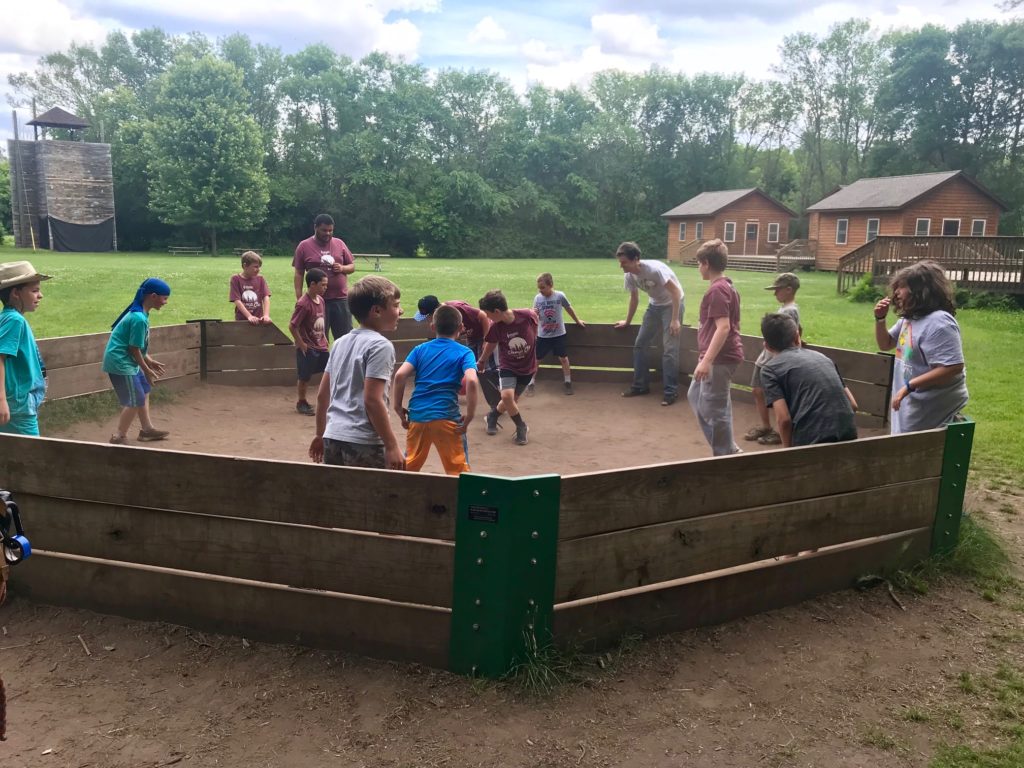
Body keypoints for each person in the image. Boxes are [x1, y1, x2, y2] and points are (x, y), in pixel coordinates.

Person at [309, 276, 405, 470]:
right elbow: (372, 399)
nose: (400, 311)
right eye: (395, 305)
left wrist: (320, 435)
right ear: (377, 311)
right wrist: (392, 445)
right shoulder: (380, 346)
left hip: (333, 438)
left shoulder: (340, 343)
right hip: (363, 441)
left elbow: (322, 395)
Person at [874, 260, 968, 433]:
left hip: (931, 404)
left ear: (920, 291)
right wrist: (880, 319)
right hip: (912, 400)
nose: (896, 293)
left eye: (902, 288)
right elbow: (885, 343)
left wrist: (909, 386)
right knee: (903, 448)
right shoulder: (910, 318)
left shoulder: (939, 323)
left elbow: (953, 366)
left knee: (916, 452)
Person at [393, 304, 480, 475]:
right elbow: (471, 380)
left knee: (409, 468)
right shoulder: (465, 352)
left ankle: (401, 497)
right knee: (458, 471)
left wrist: (397, 407)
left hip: (418, 416)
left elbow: (399, 376)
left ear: (432, 327)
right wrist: (469, 416)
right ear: (461, 328)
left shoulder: (419, 350)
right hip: (447, 418)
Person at [759, 313, 857, 447]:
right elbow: (852, 404)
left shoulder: (770, 370)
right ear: (797, 337)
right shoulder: (823, 358)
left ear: (767, 346)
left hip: (811, 440)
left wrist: (787, 453)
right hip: (848, 435)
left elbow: (784, 419)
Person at [687, 239, 743, 456]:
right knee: (696, 396)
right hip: (717, 358)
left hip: (719, 360)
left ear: (707, 263)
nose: (698, 268)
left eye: (699, 263)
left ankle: (724, 455)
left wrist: (707, 360)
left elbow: (723, 327)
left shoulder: (718, 291)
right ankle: (727, 446)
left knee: (715, 409)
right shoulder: (727, 286)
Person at [613, 241, 684, 406]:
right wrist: (627, 321)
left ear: (636, 259)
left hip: (673, 303)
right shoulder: (629, 275)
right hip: (655, 305)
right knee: (640, 344)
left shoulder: (654, 270)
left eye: (624, 262)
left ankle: (670, 392)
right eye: (620, 262)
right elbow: (634, 298)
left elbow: (676, 292)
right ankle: (640, 386)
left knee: (669, 349)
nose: (621, 266)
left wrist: (675, 319)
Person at [102, 278, 172, 445]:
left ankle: (147, 430)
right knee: (135, 400)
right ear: (153, 296)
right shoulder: (139, 318)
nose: (166, 302)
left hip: (128, 361)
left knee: (144, 390)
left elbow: (137, 347)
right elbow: (133, 349)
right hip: (120, 363)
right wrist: (146, 369)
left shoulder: (141, 313)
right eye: (164, 298)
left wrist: (150, 360)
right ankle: (119, 436)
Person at [745, 273, 802, 445]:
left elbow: (791, 332)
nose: (774, 293)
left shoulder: (789, 310)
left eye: (777, 290)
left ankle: (778, 430)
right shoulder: (787, 309)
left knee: (778, 397)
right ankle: (766, 426)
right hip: (767, 357)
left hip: (773, 359)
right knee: (757, 389)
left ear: (789, 289)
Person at [477, 290, 537, 446]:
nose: (488, 318)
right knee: (507, 397)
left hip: (527, 367)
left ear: (497, 311)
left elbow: (536, 326)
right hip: (508, 366)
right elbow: (491, 344)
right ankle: (521, 426)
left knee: (511, 401)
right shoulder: (495, 327)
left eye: (488, 314)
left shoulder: (527, 316)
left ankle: (492, 416)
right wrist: (482, 360)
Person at [0, 261, 51, 436]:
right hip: (18, 408)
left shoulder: (12, 318)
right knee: (32, 457)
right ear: (15, 293)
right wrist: (1, 401)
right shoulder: (14, 320)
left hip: (20, 404)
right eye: (34, 290)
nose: (40, 295)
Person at [293, 213, 356, 342]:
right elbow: (299, 273)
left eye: (330, 230)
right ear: (315, 227)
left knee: (345, 339)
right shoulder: (304, 246)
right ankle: (322, 362)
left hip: (341, 299)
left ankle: (344, 362)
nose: (328, 233)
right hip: (316, 301)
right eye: (324, 230)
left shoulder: (339, 243)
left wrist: (342, 268)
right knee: (318, 338)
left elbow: (352, 267)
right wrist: (299, 297)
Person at [529, 272, 586, 396]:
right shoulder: (538, 298)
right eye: (539, 288)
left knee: (563, 358)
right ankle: (531, 382)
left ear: (551, 285)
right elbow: (534, 316)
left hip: (559, 334)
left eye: (543, 287)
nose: (540, 290)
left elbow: (569, 308)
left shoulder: (559, 296)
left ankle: (567, 382)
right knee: (537, 359)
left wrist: (577, 321)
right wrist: (534, 314)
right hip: (543, 335)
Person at [289, 268, 329, 416]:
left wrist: (324, 338)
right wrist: (301, 344)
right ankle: (302, 402)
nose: (326, 288)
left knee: (330, 371)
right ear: (312, 284)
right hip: (308, 346)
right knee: (304, 376)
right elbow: (292, 325)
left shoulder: (321, 301)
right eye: (323, 285)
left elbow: (321, 321)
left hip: (321, 344)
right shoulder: (303, 304)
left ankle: (328, 399)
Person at [414, 295, 491, 361]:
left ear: (435, 311)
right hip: (471, 335)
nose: (429, 319)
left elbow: (483, 315)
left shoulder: (456, 308)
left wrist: (486, 340)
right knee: (472, 362)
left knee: (485, 361)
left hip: (483, 333)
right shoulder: (442, 316)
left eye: (428, 316)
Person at [229, 251, 272, 325]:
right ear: (245, 266)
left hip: (259, 320)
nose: (258, 269)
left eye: (259, 267)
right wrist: (249, 316)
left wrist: (266, 315)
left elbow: (266, 297)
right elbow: (237, 300)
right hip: (242, 321)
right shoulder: (236, 279)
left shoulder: (260, 279)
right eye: (255, 267)